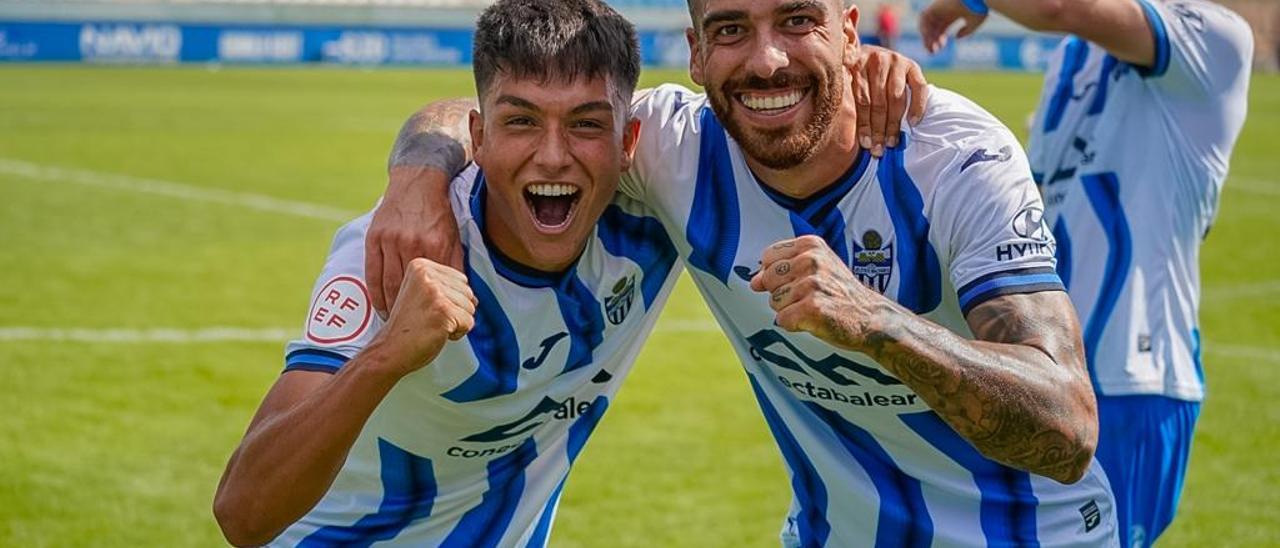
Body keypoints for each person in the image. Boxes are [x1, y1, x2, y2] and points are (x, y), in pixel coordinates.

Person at [368, 0, 1122, 545]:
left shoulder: (955, 161)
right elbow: (492, 113)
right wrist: (417, 176)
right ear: (696, 54)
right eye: (731, 28)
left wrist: (878, 322)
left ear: (850, 32)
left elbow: (1066, 428)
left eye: (797, 20)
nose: (765, 60)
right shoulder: (672, 150)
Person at [211, 1, 685, 545]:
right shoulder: (400, 249)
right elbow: (243, 514)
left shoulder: (658, 200)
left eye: (585, 124)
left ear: (627, 143)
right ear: (478, 138)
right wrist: (386, 356)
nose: (553, 156)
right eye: (522, 121)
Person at [921, 1, 1252, 546]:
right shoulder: (1072, 57)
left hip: (1130, 378)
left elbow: (1060, 7)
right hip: (1043, 372)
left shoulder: (1215, 39)